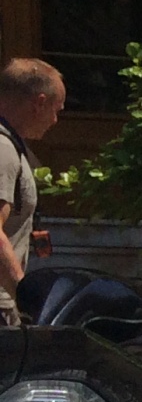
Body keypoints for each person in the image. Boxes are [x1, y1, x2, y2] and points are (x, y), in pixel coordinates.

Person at [0, 59, 64, 327]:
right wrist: (25, 300)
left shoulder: (13, 145)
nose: (55, 120)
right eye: (56, 109)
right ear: (39, 102)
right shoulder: (3, 149)